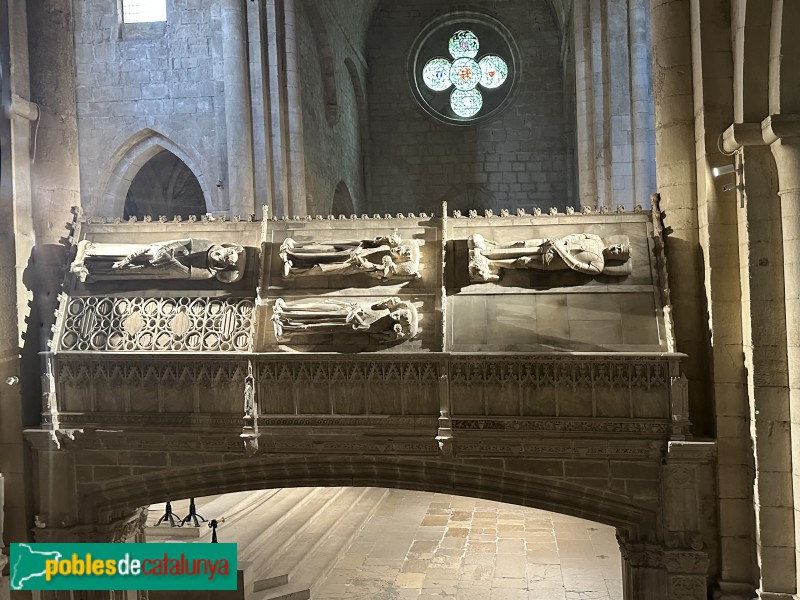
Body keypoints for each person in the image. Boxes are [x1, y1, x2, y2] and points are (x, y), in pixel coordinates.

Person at [468, 233, 632, 281]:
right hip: (551, 244)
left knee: (522, 261)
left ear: (617, 258)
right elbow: (576, 236)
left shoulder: (599, 266)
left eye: (619, 251)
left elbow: (575, 265)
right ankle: (490, 248)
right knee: (521, 244)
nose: (615, 248)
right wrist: (562, 241)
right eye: (618, 246)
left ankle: (491, 262)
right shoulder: (596, 238)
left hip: (553, 261)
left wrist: (561, 250)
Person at [70, 238, 246, 283]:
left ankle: (92, 269)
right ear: (225, 248)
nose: (222, 255)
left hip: (165, 267)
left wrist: (168, 260)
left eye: (225, 259)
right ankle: (89, 252)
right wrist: (164, 248)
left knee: (131, 268)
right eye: (226, 252)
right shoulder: (207, 244)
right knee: (131, 253)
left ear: (224, 264)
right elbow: (182, 241)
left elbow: (183, 273)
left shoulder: (208, 273)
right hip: (164, 251)